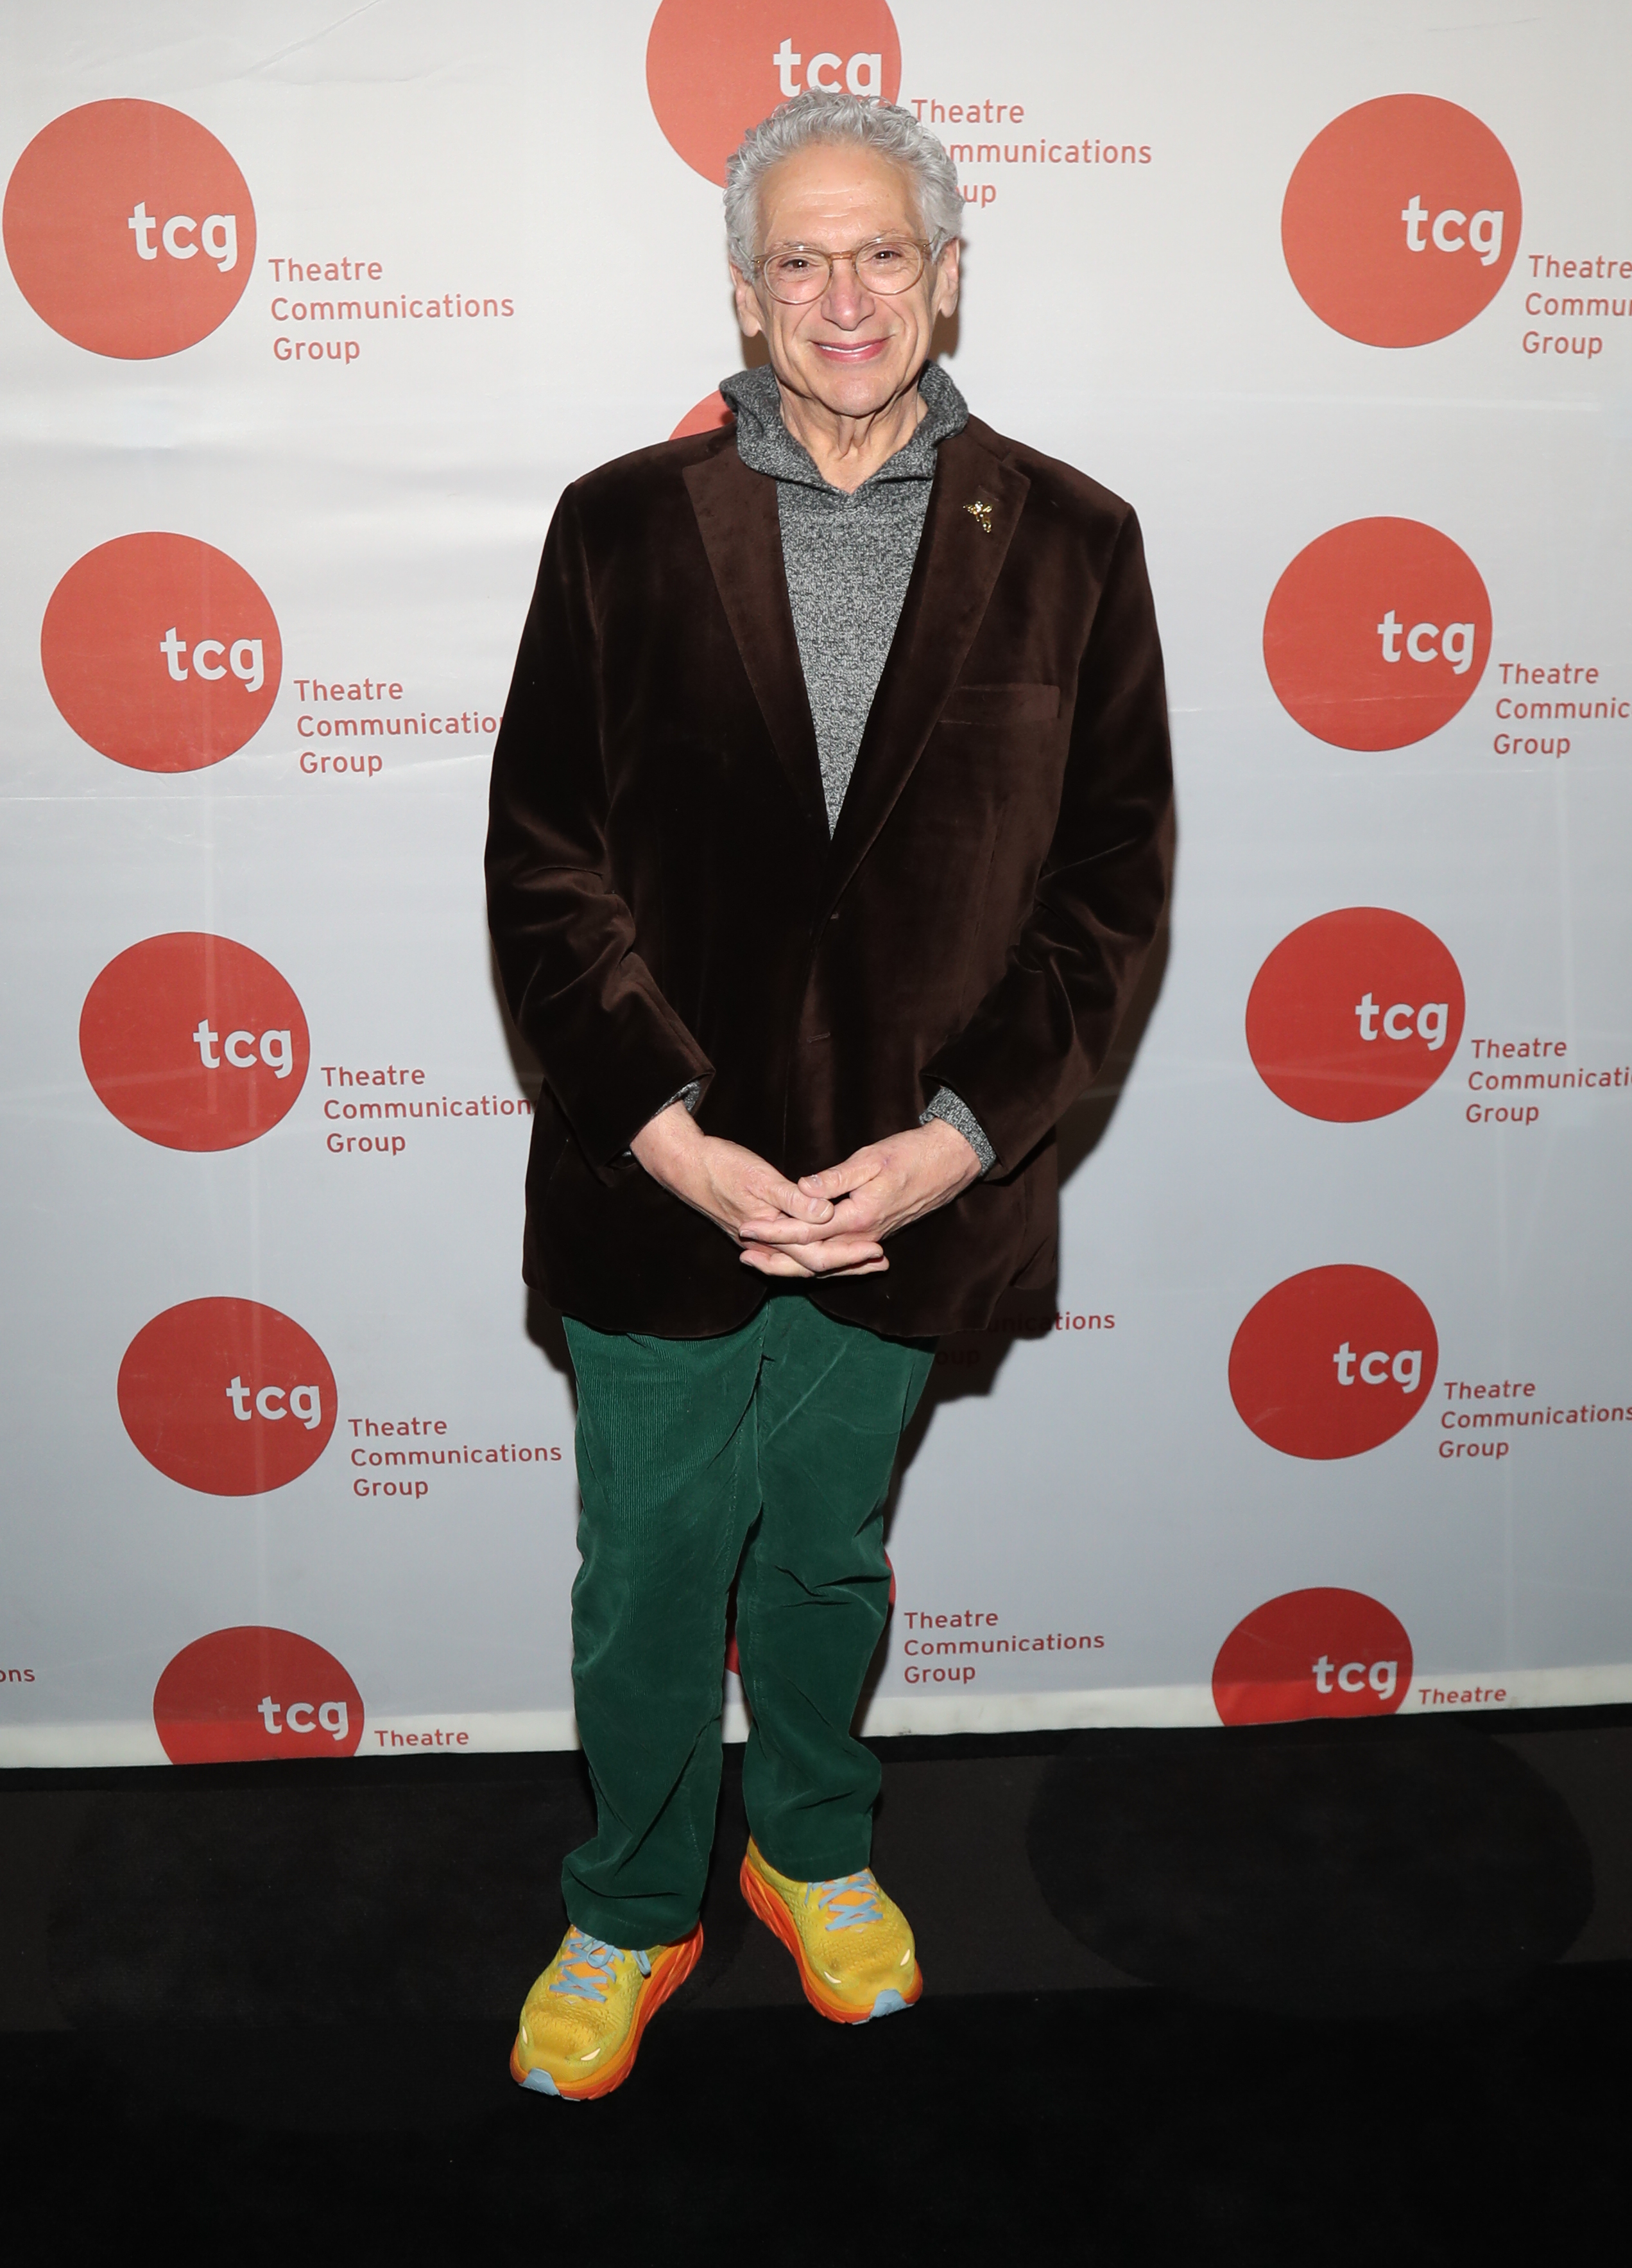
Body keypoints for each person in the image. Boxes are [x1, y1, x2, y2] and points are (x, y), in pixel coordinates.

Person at [486, 90, 1172, 2100]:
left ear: (950, 275)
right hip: (661, 1187)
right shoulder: (618, 526)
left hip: (916, 1189)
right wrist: (679, 1142)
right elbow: (548, 869)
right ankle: (629, 1905)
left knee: (827, 1557)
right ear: (745, 288)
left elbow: (1106, 897)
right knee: (647, 1575)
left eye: (884, 252)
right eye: (802, 257)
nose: (845, 293)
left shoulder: (1075, 541)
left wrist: (955, 1141)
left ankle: (812, 1849)